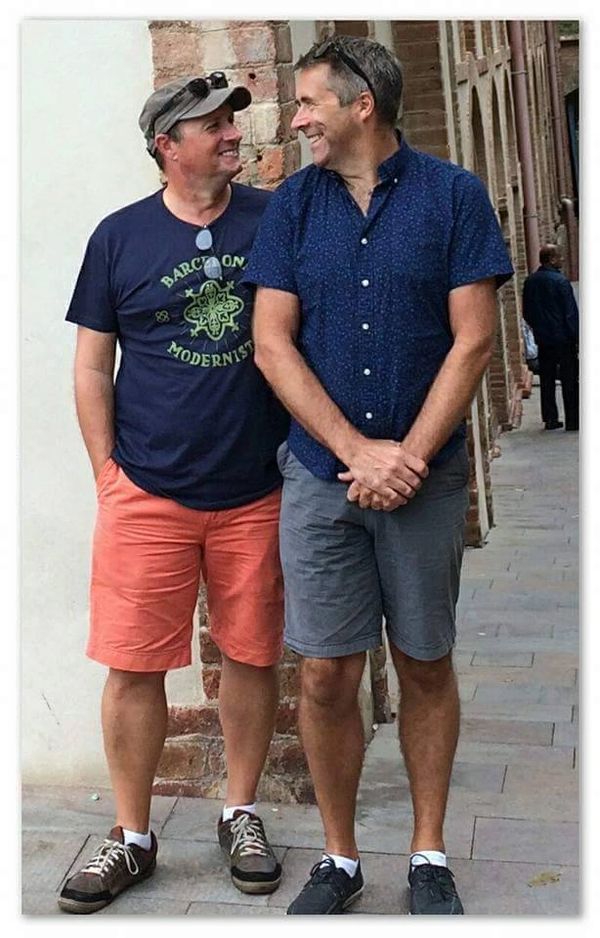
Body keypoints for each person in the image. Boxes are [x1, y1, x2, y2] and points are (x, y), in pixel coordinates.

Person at [244, 35, 514, 915]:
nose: (297, 118)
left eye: (309, 102)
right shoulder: (291, 208)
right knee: (324, 673)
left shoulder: (454, 197)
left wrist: (409, 456)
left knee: (425, 660)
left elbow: (473, 339)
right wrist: (358, 452)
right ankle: (340, 857)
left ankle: (429, 854)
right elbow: (271, 340)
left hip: (423, 484)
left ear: (363, 104)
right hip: (323, 480)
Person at [58, 73, 289, 914]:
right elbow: (91, 364)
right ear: (168, 144)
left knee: (253, 653)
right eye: (214, 124)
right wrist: (106, 475)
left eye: (232, 119)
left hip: (256, 487)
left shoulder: (273, 219)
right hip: (146, 491)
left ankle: (242, 811)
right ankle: (131, 836)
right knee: (132, 665)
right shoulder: (118, 238)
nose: (232, 131)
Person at [522, 244, 579, 431]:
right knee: (569, 379)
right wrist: (576, 337)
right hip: (563, 339)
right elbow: (570, 313)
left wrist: (539, 329)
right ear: (552, 259)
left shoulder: (530, 282)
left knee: (547, 379)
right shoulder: (561, 282)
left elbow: (527, 312)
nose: (562, 260)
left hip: (544, 339)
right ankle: (573, 419)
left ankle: (550, 419)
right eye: (559, 257)